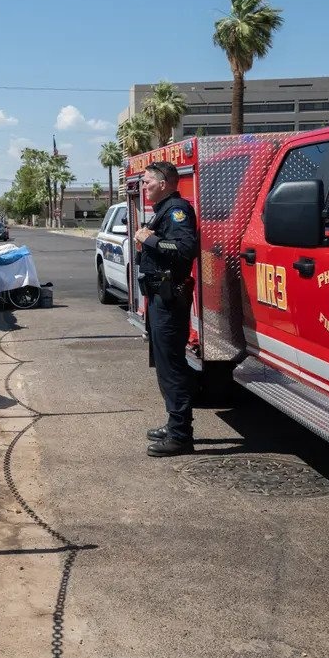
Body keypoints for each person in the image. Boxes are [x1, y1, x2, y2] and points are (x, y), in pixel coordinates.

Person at [134, 161, 199, 457]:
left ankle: (180, 436)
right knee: (164, 365)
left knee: (172, 367)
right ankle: (174, 424)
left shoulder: (177, 210)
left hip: (170, 299)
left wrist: (150, 239)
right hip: (159, 297)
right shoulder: (163, 210)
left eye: (148, 181)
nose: (144, 186)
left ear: (163, 183)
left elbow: (185, 249)